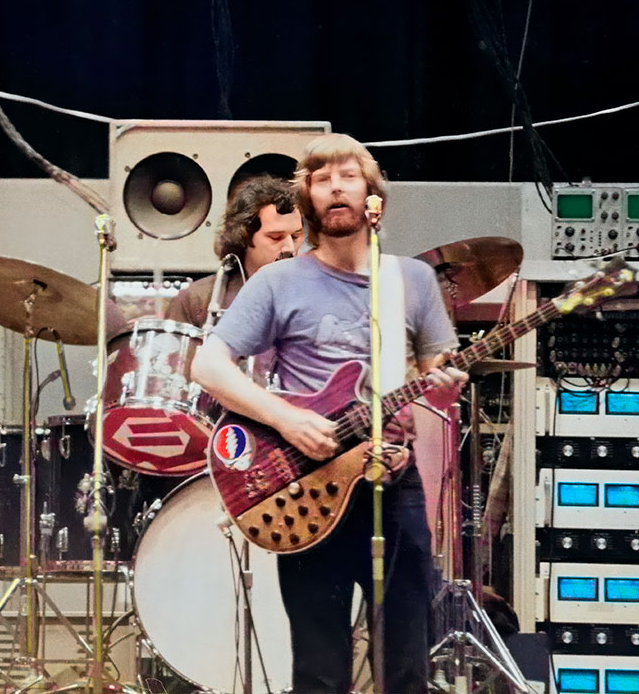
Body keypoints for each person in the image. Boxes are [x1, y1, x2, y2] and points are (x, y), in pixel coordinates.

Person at [191, 133, 468, 693]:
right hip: (307, 484)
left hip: (394, 483)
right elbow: (209, 367)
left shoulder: (410, 280)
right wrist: (287, 420)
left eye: (347, 175)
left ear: (373, 196)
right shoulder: (278, 280)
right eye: (321, 179)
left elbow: (439, 386)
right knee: (319, 666)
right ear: (308, 199)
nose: (335, 187)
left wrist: (444, 384)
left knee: (409, 660)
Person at [165, 174, 304, 329]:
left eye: (296, 236)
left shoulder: (315, 295)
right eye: (276, 237)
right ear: (244, 236)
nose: (290, 248)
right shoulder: (196, 300)